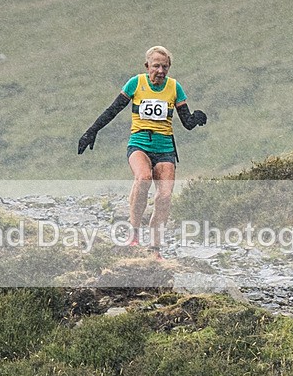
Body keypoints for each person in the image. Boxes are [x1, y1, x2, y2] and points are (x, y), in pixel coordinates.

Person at [78, 46, 207, 257]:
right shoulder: (136, 83)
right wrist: (92, 132)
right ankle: (133, 233)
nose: (161, 70)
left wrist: (197, 118)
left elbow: (187, 123)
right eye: (156, 66)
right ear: (147, 66)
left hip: (165, 148)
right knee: (143, 177)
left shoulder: (175, 88)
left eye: (165, 67)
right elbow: (113, 110)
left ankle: (155, 249)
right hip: (139, 144)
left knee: (164, 196)